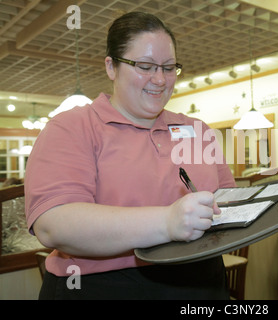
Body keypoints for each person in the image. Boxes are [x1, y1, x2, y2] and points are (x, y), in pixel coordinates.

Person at [24, 12, 236, 300]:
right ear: (111, 67)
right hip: (102, 286)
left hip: (202, 281)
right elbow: (53, 224)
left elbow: (228, 202)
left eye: (169, 67)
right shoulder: (71, 127)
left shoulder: (198, 130)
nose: (160, 80)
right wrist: (167, 222)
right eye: (145, 66)